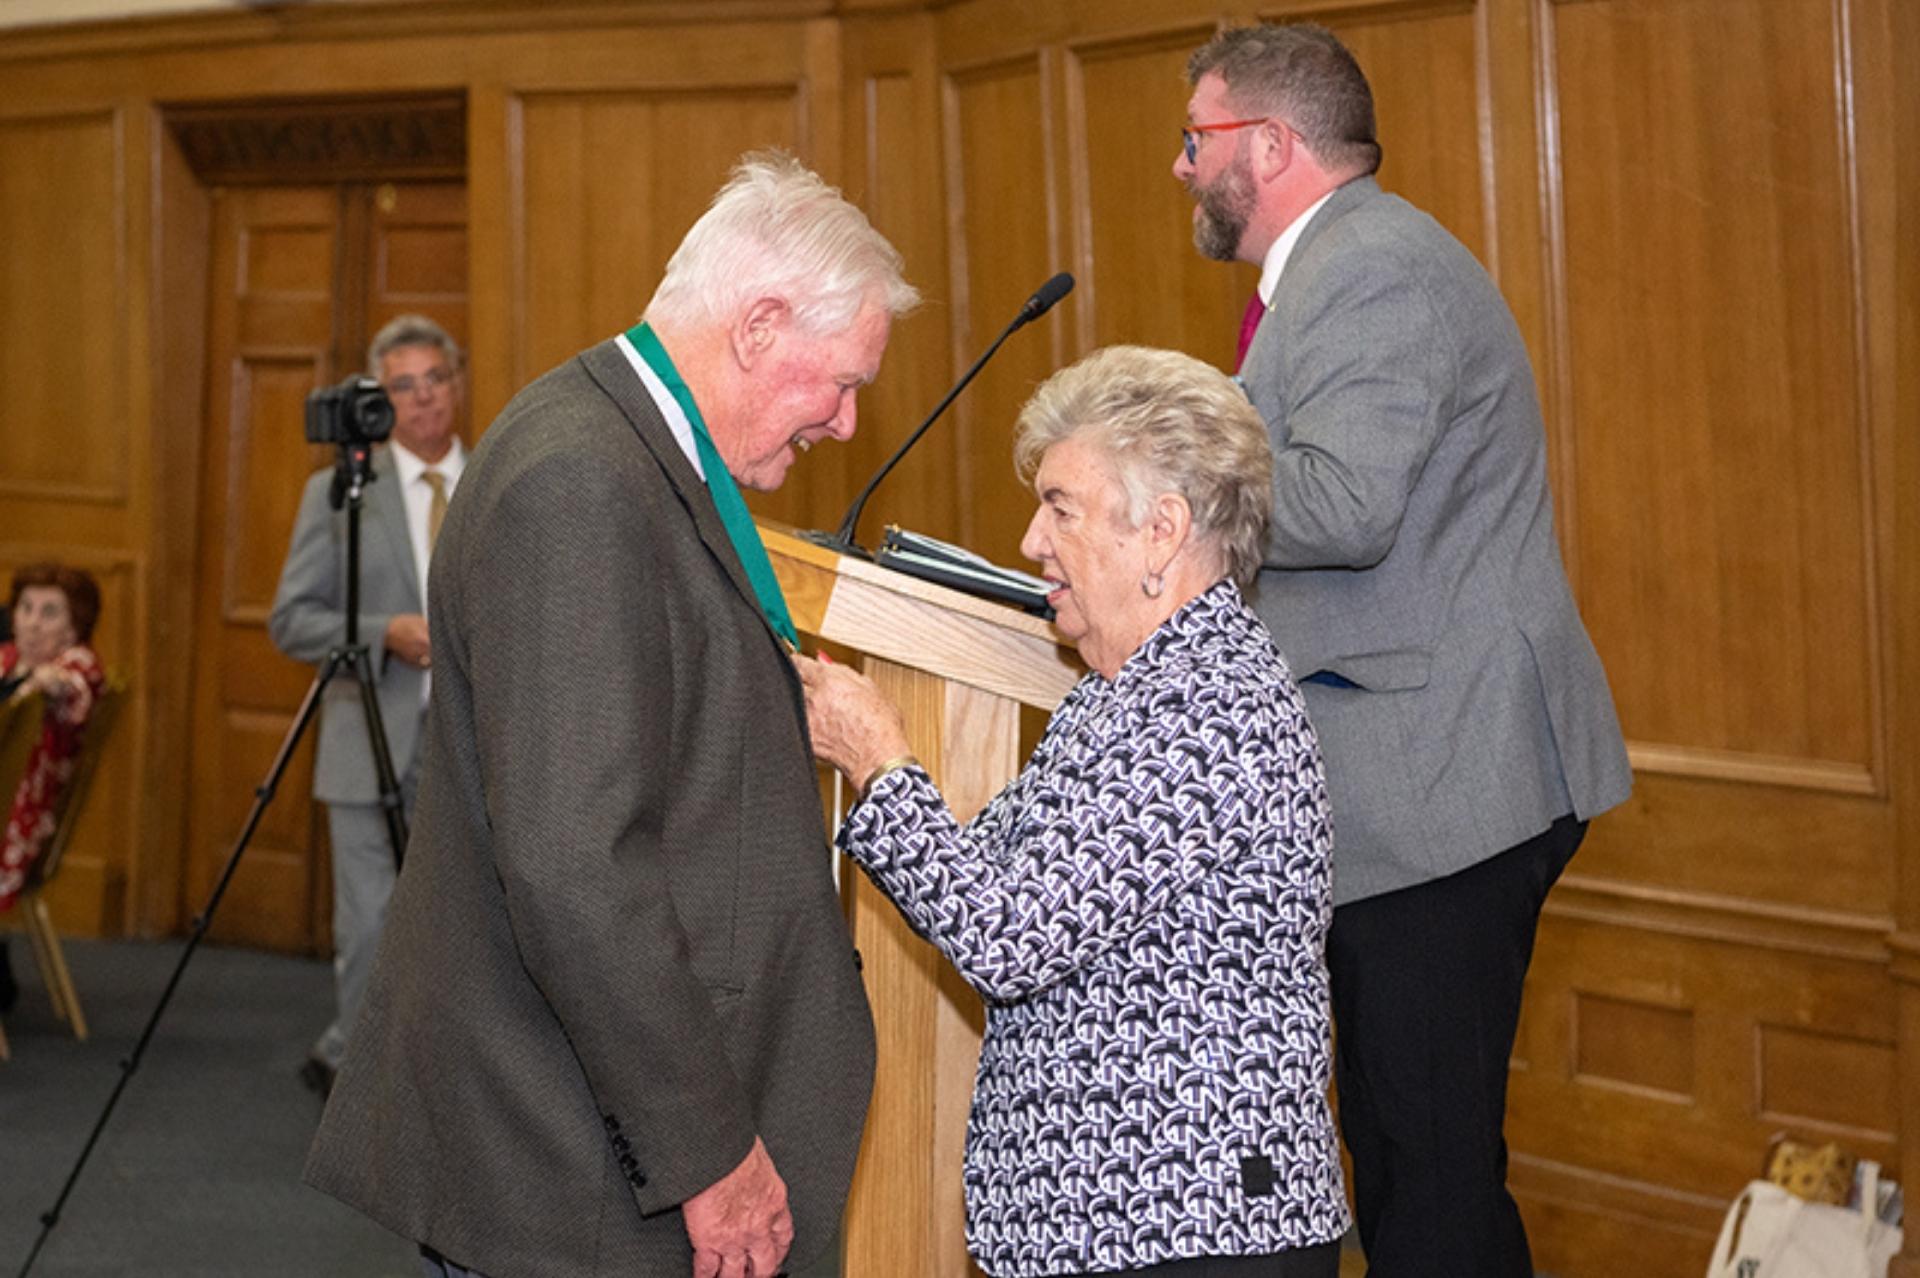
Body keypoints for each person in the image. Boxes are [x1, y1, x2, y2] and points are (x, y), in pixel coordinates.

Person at [304, 151, 917, 1278]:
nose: (844, 421)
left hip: (588, 1143)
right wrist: (709, 1153)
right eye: (838, 381)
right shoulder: (580, 482)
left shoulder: (626, 447)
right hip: (580, 1169)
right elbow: (576, 869)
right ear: (759, 325)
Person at [1173, 23, 1634, 1277]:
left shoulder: (1370, 266)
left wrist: (1161, 506)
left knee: (1430, 1186)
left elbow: (1343, 503)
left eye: (1195, 137)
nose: (1180, 166)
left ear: (1269, 145)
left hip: (1445, 788)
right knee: (1409, 1164)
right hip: (1416, 784)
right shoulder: (1337, 270)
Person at [797, 345, 1350, 1278]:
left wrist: (878, 757)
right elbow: (990, 884)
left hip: (1191, 1224)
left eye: (1060, 506)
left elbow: (1004, 936)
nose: (1030, 541)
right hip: (1120, 1227)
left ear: (1162, 531)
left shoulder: (1205, 706)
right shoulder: (1124, 689)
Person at [270, 313, 468, 1098]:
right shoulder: (340, 492)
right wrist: (381, 632)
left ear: (458, 384)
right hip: (368, 734)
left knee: (461, 923)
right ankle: (360, 1076)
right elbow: (292, 619)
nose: (422, 402)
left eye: (435, 381)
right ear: (382, 399)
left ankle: (440, 1072)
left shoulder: (497, 478)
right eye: (402, 387)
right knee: (372, 921)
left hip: (469, 744)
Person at [0, 564, 106, 1016]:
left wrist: (43, 683)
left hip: (17, 832)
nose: (31, 622)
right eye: (24, 608)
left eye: (48, 613)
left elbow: (72, 689)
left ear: (75, 626)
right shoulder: (9, 659)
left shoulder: (73, 667)